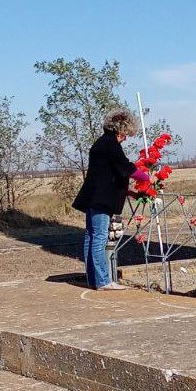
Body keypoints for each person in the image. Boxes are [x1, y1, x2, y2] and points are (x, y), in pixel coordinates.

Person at [72, 110, 150, 290]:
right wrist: (147, 178)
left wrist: (129, 192)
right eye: (125, 134)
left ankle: (93, 278)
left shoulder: (101, 143)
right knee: (99, 237)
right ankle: (103, 281)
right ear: (120, 130)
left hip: (94, 195)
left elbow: (110, 175)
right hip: (101, 199)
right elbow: (125, 168)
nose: (126, 138)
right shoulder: (110, 144)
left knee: (91, 236)